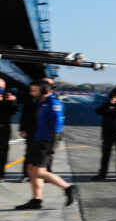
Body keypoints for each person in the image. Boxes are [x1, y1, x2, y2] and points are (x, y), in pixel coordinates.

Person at [17, 80, 79, 209]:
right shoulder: (42, 103)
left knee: (39, 171)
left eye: (33, 90)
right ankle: (36, 200)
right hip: (38, 139)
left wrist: (50, 144)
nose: (31, 93)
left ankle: (68, 188)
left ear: (44, 91)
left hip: (46, 142)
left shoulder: (53, 104)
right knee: (30, 169)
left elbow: (57, 126)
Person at [0, 78, 18, 181]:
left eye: (2, 88)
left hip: (4, 128)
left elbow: (13, 112)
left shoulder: (8, 96)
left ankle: (1, 173)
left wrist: (13, 101)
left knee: (3, 151)